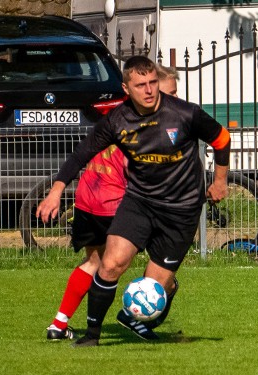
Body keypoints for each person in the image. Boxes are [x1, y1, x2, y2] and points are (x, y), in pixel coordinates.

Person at [37, 56, 230, 347]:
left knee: (156, 288)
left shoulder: (184, 113)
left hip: (181, 210)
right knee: (111, 263)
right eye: (141, 85)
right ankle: (92, 335)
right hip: (140, 202)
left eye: (153, 82)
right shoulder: (117, 120)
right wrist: (55, 191)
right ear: (127, 88)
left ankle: (133, 318)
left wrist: (219, 181)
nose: (150, 90)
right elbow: (81, 154)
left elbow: (222, 138)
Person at [45, 63, 184, 342]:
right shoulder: (148, 123)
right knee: (164, 270)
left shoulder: (115, 117)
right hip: (117, 203)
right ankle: (135, 317)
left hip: (88, 198)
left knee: (94, 263)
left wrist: (57, 190)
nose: (173, 100)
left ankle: (58, 324)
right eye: (170, 94)